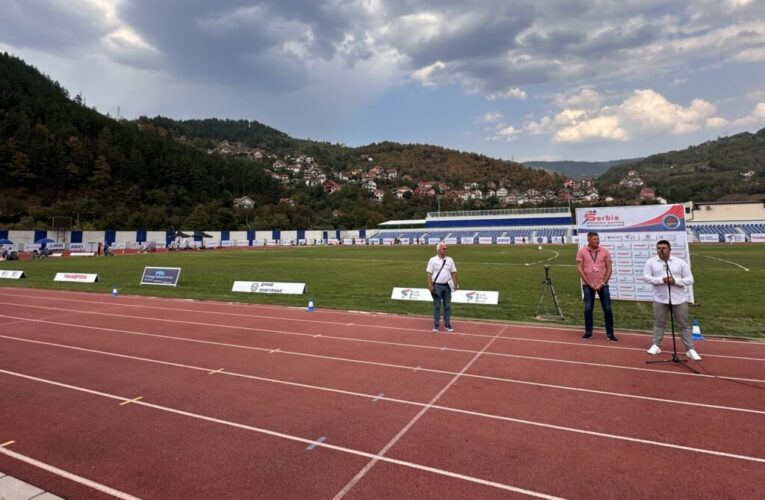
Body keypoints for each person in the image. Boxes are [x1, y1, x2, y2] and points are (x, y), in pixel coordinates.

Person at [643, 240, 701, 360]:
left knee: (683, 325)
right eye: (658, 248)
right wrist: (661, 280)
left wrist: (675, 281)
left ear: (669, 249)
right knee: (659, 323)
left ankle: (690, 349)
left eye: (664, 248)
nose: (661, 250)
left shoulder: (680, 263)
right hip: (660, 298)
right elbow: (646, 277)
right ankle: (656, 345)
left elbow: (690, 280)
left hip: (679, 299)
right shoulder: (651, 262)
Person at [576, 231, 617, 341]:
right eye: (595, 239)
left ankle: (610, 333)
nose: (597, 241)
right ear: (588, 240)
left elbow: (609, 268)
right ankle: (588, 332)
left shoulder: (604, 251)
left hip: (603, 285)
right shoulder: (582, 252)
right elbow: (580, 269)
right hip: (588, 285)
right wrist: (589, 283)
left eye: (598, 239)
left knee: (607, 309)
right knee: (588, 309)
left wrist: (603, 283)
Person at [426, 242, 458, 332]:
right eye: (444, 249)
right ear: (438, 250)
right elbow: (429, 274)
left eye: (446, 248)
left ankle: (447, 324)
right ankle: (436, 325)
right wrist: (430, 286)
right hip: (437, 286)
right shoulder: (432, 260)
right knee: (437, 306)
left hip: (447, 286)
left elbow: (453, 272)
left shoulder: (450, 260)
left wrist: (455, 284)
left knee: (447, 306)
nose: (446, 250)